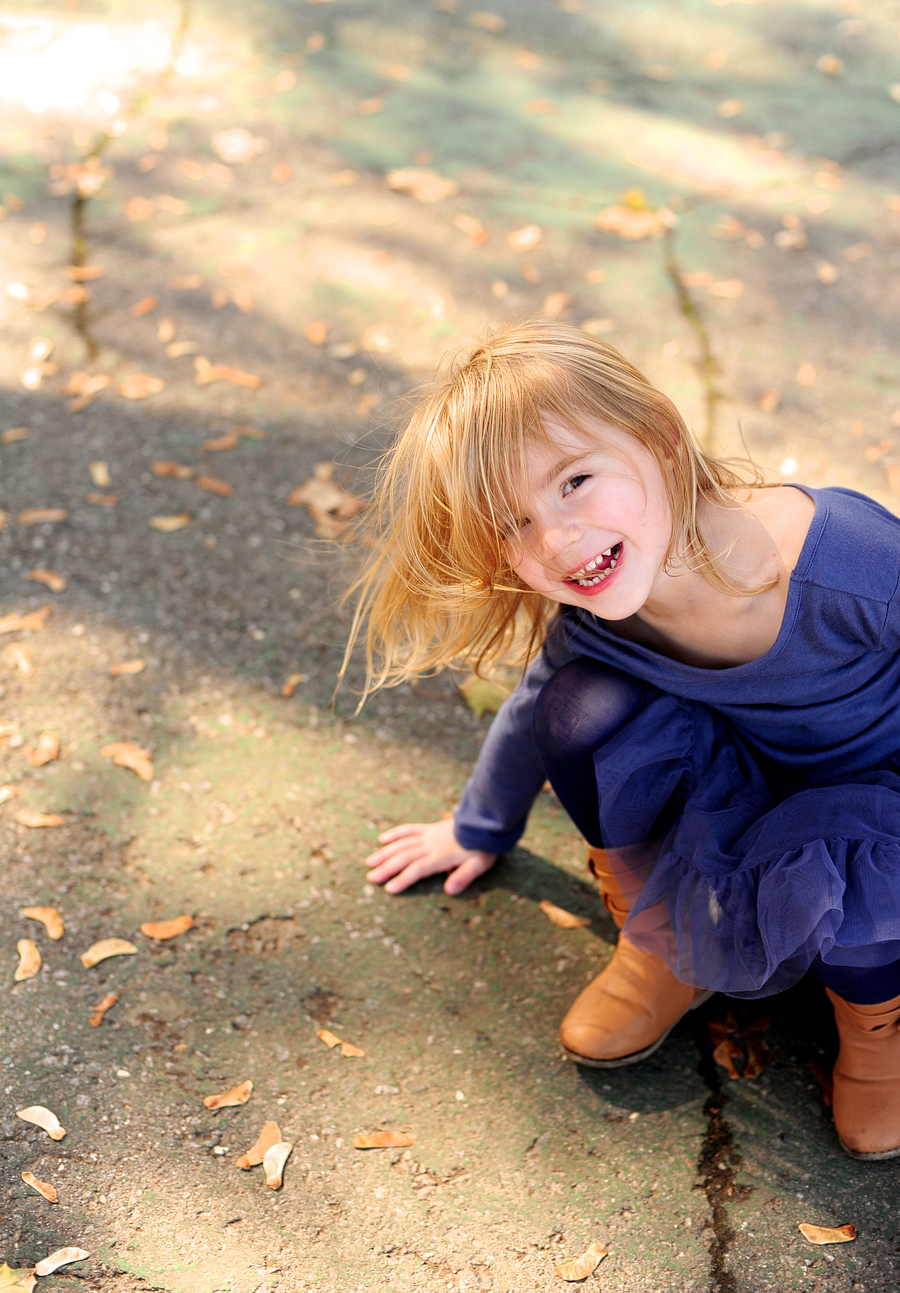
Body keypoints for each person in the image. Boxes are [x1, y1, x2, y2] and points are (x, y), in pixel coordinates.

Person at [345, 320, 900, 1162]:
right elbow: (535, 721)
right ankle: (666, 948)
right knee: (579, 710)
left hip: (882, 802)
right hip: (754, 788)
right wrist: (476, 828)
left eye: (575, 480)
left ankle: (878, 1037)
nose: (556, 540)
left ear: (661, 441)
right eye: (514, 523)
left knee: (858, 869)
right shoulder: (605, 614)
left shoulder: (847, 561)